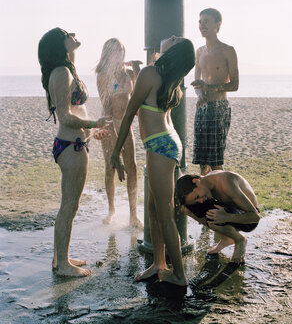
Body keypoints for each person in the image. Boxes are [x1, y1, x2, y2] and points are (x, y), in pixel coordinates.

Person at [111, 36, 195, 286]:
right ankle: (159, 264)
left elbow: (128, 115)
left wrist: (116, 153)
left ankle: (179, 275)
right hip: (167, 142)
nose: (170, 36)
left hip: (160, 145)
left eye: (175, 39)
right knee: (153, 209)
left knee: (166, 213)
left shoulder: (151, 72)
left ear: (174, 51)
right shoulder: (166, 77)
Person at [38, 28, 111, 276]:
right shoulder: (61, 73)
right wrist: (95, 124)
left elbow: (74, 113)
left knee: (69, 205)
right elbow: (67, 117)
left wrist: (92, 132)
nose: (74, 33)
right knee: (69, 206)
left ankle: (61, 259)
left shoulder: (67, 69)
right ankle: (63, 266)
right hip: (71, 146)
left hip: (75, 143)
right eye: (67, 33)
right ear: (60, 44)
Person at [95, 38, 143, 228]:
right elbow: (107, 109)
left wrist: (138, 70)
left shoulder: (129, 74)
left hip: (126, 123)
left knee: (133, 167)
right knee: (111, 167)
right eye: (115, 51)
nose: (119, 55)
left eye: (121, 51)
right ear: (107, 54)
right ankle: (111, 210)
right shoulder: (103, 76)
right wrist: (117, 148)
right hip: (108, 124)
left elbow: (142, 93)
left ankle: (133, 215)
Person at [191, 8, 239, 175]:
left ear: (217, 25)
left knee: (216, 162)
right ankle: (206, 199)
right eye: (200, 22)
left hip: (219, 107)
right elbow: (197, 84)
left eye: (206, 22)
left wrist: (209, 88)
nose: (202, 25)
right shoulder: (199, 52)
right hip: (202, 109)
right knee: (202, 162)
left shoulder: (228, 51)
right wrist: (200, 95)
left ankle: (221, 195)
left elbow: (235, 85)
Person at [176, 171, 261, 264]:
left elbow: (256, 217)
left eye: (197, 197)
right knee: (186, 208)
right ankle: (226, 239)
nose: (200, 201)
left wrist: (227, 217)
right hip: (228, 209)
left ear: (196, 181)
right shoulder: (206, 185)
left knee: (214, 215)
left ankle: (240, 240)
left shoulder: (226, 183)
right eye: (196, 200)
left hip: (248, 220)